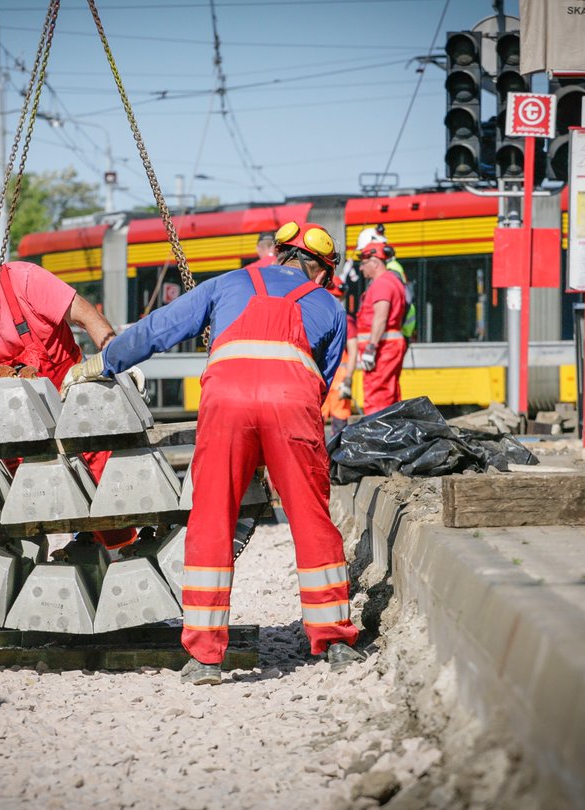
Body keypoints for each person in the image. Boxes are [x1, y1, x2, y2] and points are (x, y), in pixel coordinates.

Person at [63, 220, 365, 684]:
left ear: (276, 254)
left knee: (211, 519)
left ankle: (205, 657)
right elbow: (319, 383)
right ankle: (335, 642)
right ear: (322, 272)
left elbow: (159, 329)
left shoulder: (227, 283)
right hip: (292, 406)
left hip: (225, 405)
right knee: (311, 517)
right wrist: (277, 445)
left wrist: (104, 361)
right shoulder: (328, 306)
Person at [0, 214, 139, 553]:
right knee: (18, 499)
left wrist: (116, 353)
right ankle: (36, 571)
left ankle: (125, 555)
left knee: (102, 482)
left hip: (74, 407)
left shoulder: (25, 281)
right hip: (17, 429)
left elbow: (84, 314)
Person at [355, 241, 409, 415]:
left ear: (375, 263)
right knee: (389, 393)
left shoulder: (381, 284)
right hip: (388, 346)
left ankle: (377, 436)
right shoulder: (393, 281)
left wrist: (371, 347)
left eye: (363, 264)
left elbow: (380, 316)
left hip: (382, 349)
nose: (361, 269)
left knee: (377, 394)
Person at [321, 277, 357, 434]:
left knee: (339, 422)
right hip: (324, 378)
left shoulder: (347, 321)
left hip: (338, 380)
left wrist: (348, 379)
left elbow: (353, 351)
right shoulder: (321, 319)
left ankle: (335, 456)